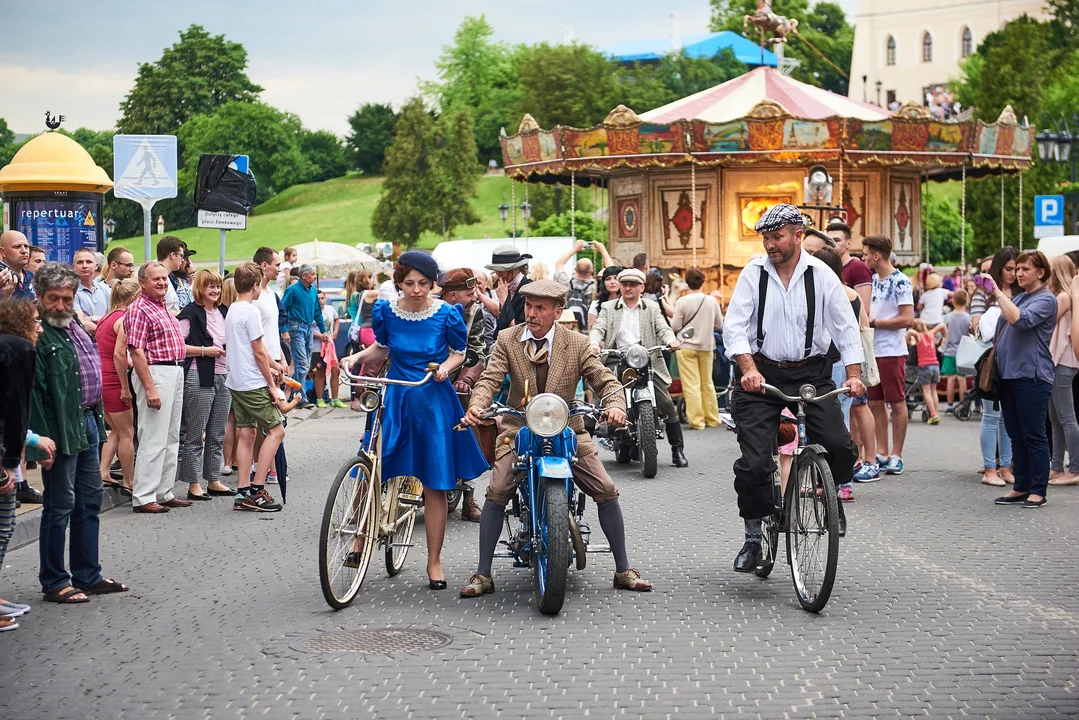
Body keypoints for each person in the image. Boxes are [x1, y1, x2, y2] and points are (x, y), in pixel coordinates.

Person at [460, 279, 653, 597]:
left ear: (557, 311)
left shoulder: (576, 343)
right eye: (528, 306)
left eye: (540, 308)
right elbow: (490, 378)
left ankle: (623, 569)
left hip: (569, 428)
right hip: (518, 427)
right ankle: (482, 573)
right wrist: (478, 406)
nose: (531, 314)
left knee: (605, 488)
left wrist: (616, 405)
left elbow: (603, 379)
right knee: (496, 491)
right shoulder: (509, 338)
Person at [722, 204, 864, 570]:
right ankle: (754, 536)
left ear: (797, 235)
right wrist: (748, 369)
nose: (770, 244)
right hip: (761, 374)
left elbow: (845, 329)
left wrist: (853, 375)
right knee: (753, 464)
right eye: (766, 238)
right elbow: (735, 327)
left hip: (812, 374)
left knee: (836, 442)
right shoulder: (754, 273)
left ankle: (830, 497)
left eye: (777, 237)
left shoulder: (821, 275)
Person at [342, 251, 488, 589]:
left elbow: (459, 352)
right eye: (409, 283)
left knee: (434, 482)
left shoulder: (446, 314)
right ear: (399, 283)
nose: (417, 289)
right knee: (375, 466)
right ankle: (360, 538)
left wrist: (447, 370)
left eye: (423, 283)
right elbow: (381, 348)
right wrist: (355, 357)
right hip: (398, 397)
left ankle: (433, 562)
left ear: (433, 283)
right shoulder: (386, 311)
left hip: (433, 400)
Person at [27, 263, 128, 602]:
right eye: (52, 298)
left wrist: (99, 425)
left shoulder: (75, 327)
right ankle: (55, 581)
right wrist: (41, 444)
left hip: (87, 423)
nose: (59, 305)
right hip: (60, 429)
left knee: (89, 501)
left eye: (66, 298)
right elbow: (35, 395)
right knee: (59, 506)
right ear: (39, 297)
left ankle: (88, 574)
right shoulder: (39, 336)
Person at [590, 267, 688, 468]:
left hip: (647, 358)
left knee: (667, 403)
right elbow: (599, 327)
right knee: (603, 398)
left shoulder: (651, 307)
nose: (628, 288)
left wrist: (671, 340)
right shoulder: (609, 307)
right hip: (617, 358)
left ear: (641, 288)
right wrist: (594, 341)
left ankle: (677, 450)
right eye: (625, 284)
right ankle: (591, 443)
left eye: (633, 285)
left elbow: (663, 328)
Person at [0, 298, 56, 628]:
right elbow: (15, 407)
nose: (39, 326)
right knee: (4, 524)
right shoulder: (21, 349)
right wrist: (11, 464)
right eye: (35, 320)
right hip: (4, 446)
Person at [990, 251, 1057, 509]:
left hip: (1032, 374)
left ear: (1040, 272)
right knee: (1016, 434)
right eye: (1017, 269)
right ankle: (1021, 486)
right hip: (1009, 374)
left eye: (1025, 269)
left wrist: (997, 293)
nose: (1018, 274)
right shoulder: (1018, 297)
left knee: (1034, 434)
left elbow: (1020, 320)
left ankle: (1038, 489)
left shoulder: (1047, 299)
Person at [126, 262, 191, 513]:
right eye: (156, 279)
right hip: (156, 371)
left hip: (174, 369)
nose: (163, 283)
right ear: (142, 282)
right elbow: (136, 351)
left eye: (164, 278)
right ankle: (143, 496)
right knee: (153, 436)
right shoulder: (139, 309)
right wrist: (150, 387)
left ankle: (163, 490)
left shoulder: (162, 307)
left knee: (172, 436)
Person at [224, 263, 285, 512]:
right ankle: (258, 489)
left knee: (247, 434)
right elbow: (259, 352)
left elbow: (254, 349)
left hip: (236, 381)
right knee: (277, 431)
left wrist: (274, 364)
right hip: (252, 383)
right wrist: (272, 384)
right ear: (255, 285)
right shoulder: (251, 312)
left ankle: (242, 491)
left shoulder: (232, 310)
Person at [814, 246, 874, 501]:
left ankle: (824, 480)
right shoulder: (852, 294)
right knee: (843, 423)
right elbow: (863, 325)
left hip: (822, 363)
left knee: (821, 424)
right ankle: (845, 482)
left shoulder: (821, 292)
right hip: (845, 362)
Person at [177, 270, 235, 500]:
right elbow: (178, 347)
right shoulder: (190, 313)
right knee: (195, 432)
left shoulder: (223, 311)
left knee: (217, 432)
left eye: (218, 286)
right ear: (200, 288)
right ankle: (193, 483)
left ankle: (213, 479)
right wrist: (205, 351)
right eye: (210, 286)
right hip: (199, 374)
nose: (215, 290)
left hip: (224, 375)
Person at [439, 267, 489, 523]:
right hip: (426, 377)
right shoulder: (428, 307)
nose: (475, 297)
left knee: (470, 420)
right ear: (452, 296)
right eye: (470, 293)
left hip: (461, 376)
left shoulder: (475, 311)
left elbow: (478, 348)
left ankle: (469, 498)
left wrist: (467, 378)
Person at [863, 234, 913, 478]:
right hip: (872, 350)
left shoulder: (901, 281)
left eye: (865, 253)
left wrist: (876, 323)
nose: (863, 258)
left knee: (896, 401)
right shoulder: (870, 280)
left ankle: (897, 453)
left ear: (877, 255)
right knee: (874, 402)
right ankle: (881, 451)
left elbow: (907, 318)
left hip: (892, 350)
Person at [96, 279, 140, 494]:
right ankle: (129, 481)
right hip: (114, 380)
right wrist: (125, 386)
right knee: (126, 433)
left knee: (114, 429)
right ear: (133, 299)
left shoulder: (106, 317)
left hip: (100, 379)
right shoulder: (124, 320)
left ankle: (103, 471)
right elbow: (118, 354)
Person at [672, 267, 724, 430]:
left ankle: (697, 421)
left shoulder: (682, 301)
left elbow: (675, 326)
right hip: (707, 346)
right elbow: (719, 325)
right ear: (703, 281)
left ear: (687, 283)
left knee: (691, 384)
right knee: (707, 382)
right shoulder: (711, 301)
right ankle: (712, 417)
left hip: (686, 346)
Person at [1046, 256, 1079, 485]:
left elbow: (1046, 320)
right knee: (1055, 418)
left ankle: (1074, 469)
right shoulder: (1065, 296)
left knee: (1066, 418)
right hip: (1058, 361)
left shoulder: (1064, 297)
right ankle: (1057, 466)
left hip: (1062, 361)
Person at [281, 264, 329, 390]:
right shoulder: (292, 290)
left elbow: (317, 312)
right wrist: (284, 330)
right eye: (312, 274)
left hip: (309, 328)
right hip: (296, 327)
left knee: (305, 364)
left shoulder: (313, 290)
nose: (314, 276)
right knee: (302, 364)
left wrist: (324, 331)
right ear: (304, 276)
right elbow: (282, 310)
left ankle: (294, 392)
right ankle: (299, 396)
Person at [826, 221, 872, 312]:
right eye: (828, 241)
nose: (832, 244)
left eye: (837, 240)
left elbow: (864, 309)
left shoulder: (858, 267)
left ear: (849, 243)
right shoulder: (826, 267)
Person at [905, 319, 945, 424]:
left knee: (926, 392)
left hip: (925, 367)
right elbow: (942, 325)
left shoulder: (918, 337)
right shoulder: (931, 336)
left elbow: (909, 333)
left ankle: (933, 414)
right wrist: (945, 337)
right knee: (933, 391)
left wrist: (910, 336)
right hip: (935, 366)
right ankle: (936, 412)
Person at [311, 289, 345, 408]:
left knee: (336, 370)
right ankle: (319, 399)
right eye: (318, 298)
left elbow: (336, 320)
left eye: (322, 298)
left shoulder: (330, 309)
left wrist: (335, 332)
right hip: (317, 347)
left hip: (330, 346)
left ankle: (335, 398)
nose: (321, 301)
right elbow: (308, 329)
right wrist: (319, 336)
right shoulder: (311, 311)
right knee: (320, 372)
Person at [486, 245, 533, 331]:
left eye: (501, 270)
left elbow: (517, 330)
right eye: (496, 270)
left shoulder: (529, 290)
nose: (498, 275)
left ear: (514, 269)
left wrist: (504, 300)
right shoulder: (507, 287)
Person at [941, 289, 972, 415]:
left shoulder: (947, 317)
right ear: (966, 302)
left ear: (953, 301)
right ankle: (963, 404)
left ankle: (949, 406)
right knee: (962, 379)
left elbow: (942, 333)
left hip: (949, 351)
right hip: (963, 352)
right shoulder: (967, 317)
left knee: (950, 379)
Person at [72, 248, 110, 337]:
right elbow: (80, 323)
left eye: (89, 262)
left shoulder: (106, 289)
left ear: (96, 266)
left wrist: (92, 319)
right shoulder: (71, 292)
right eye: (80, 262)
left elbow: (113, 318)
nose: (84, 266)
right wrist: (105, 327)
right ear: (73, 266)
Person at [0, 230, 36, 301]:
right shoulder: (1, 278)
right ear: (3, 252)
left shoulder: (32, 277)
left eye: (26, 246)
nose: (24, 251)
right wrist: (3, 297)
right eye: (17, 247)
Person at [155, 236, 186, 315]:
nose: (182, 260)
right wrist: (184, 314)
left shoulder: (167, 276)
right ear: (172, 255)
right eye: (181, 256)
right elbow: (156, 311)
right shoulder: (155, 276)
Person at [589, 266, 622, 330]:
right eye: (608, 279)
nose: (612, 282)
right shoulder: (595, 305)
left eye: (616, 278)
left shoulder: (628, 303)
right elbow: (591, 331)